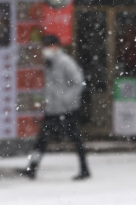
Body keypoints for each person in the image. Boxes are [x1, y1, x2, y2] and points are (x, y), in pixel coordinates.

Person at [20, 35, 90, 180]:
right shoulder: (48, 62)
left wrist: (66, 100)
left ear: (56, 46)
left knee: (75, 139)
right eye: (44, 47)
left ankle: (84, 168)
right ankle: (32, 168)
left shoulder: (65, 62)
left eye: (48, 46)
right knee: (42, 140)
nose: (45, 50)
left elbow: (79, 83)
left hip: (66, 109)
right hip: (52, 108)